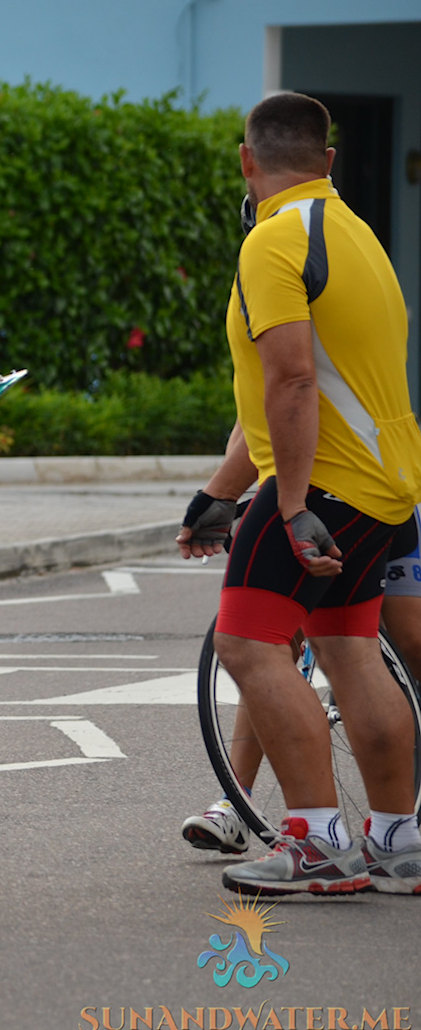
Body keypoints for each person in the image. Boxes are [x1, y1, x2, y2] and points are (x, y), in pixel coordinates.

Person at [174, 92, 421, 895]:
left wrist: (285, 504)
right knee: (349, 650)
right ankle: (395, 839)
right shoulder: (358, 237)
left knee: (248, 646)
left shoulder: (274, 240)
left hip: (320, 487)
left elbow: (292, 379)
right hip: (386, 485)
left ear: (247, 162)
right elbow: (294, 388)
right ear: (329, 160)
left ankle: (317, 842)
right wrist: (220, 493)